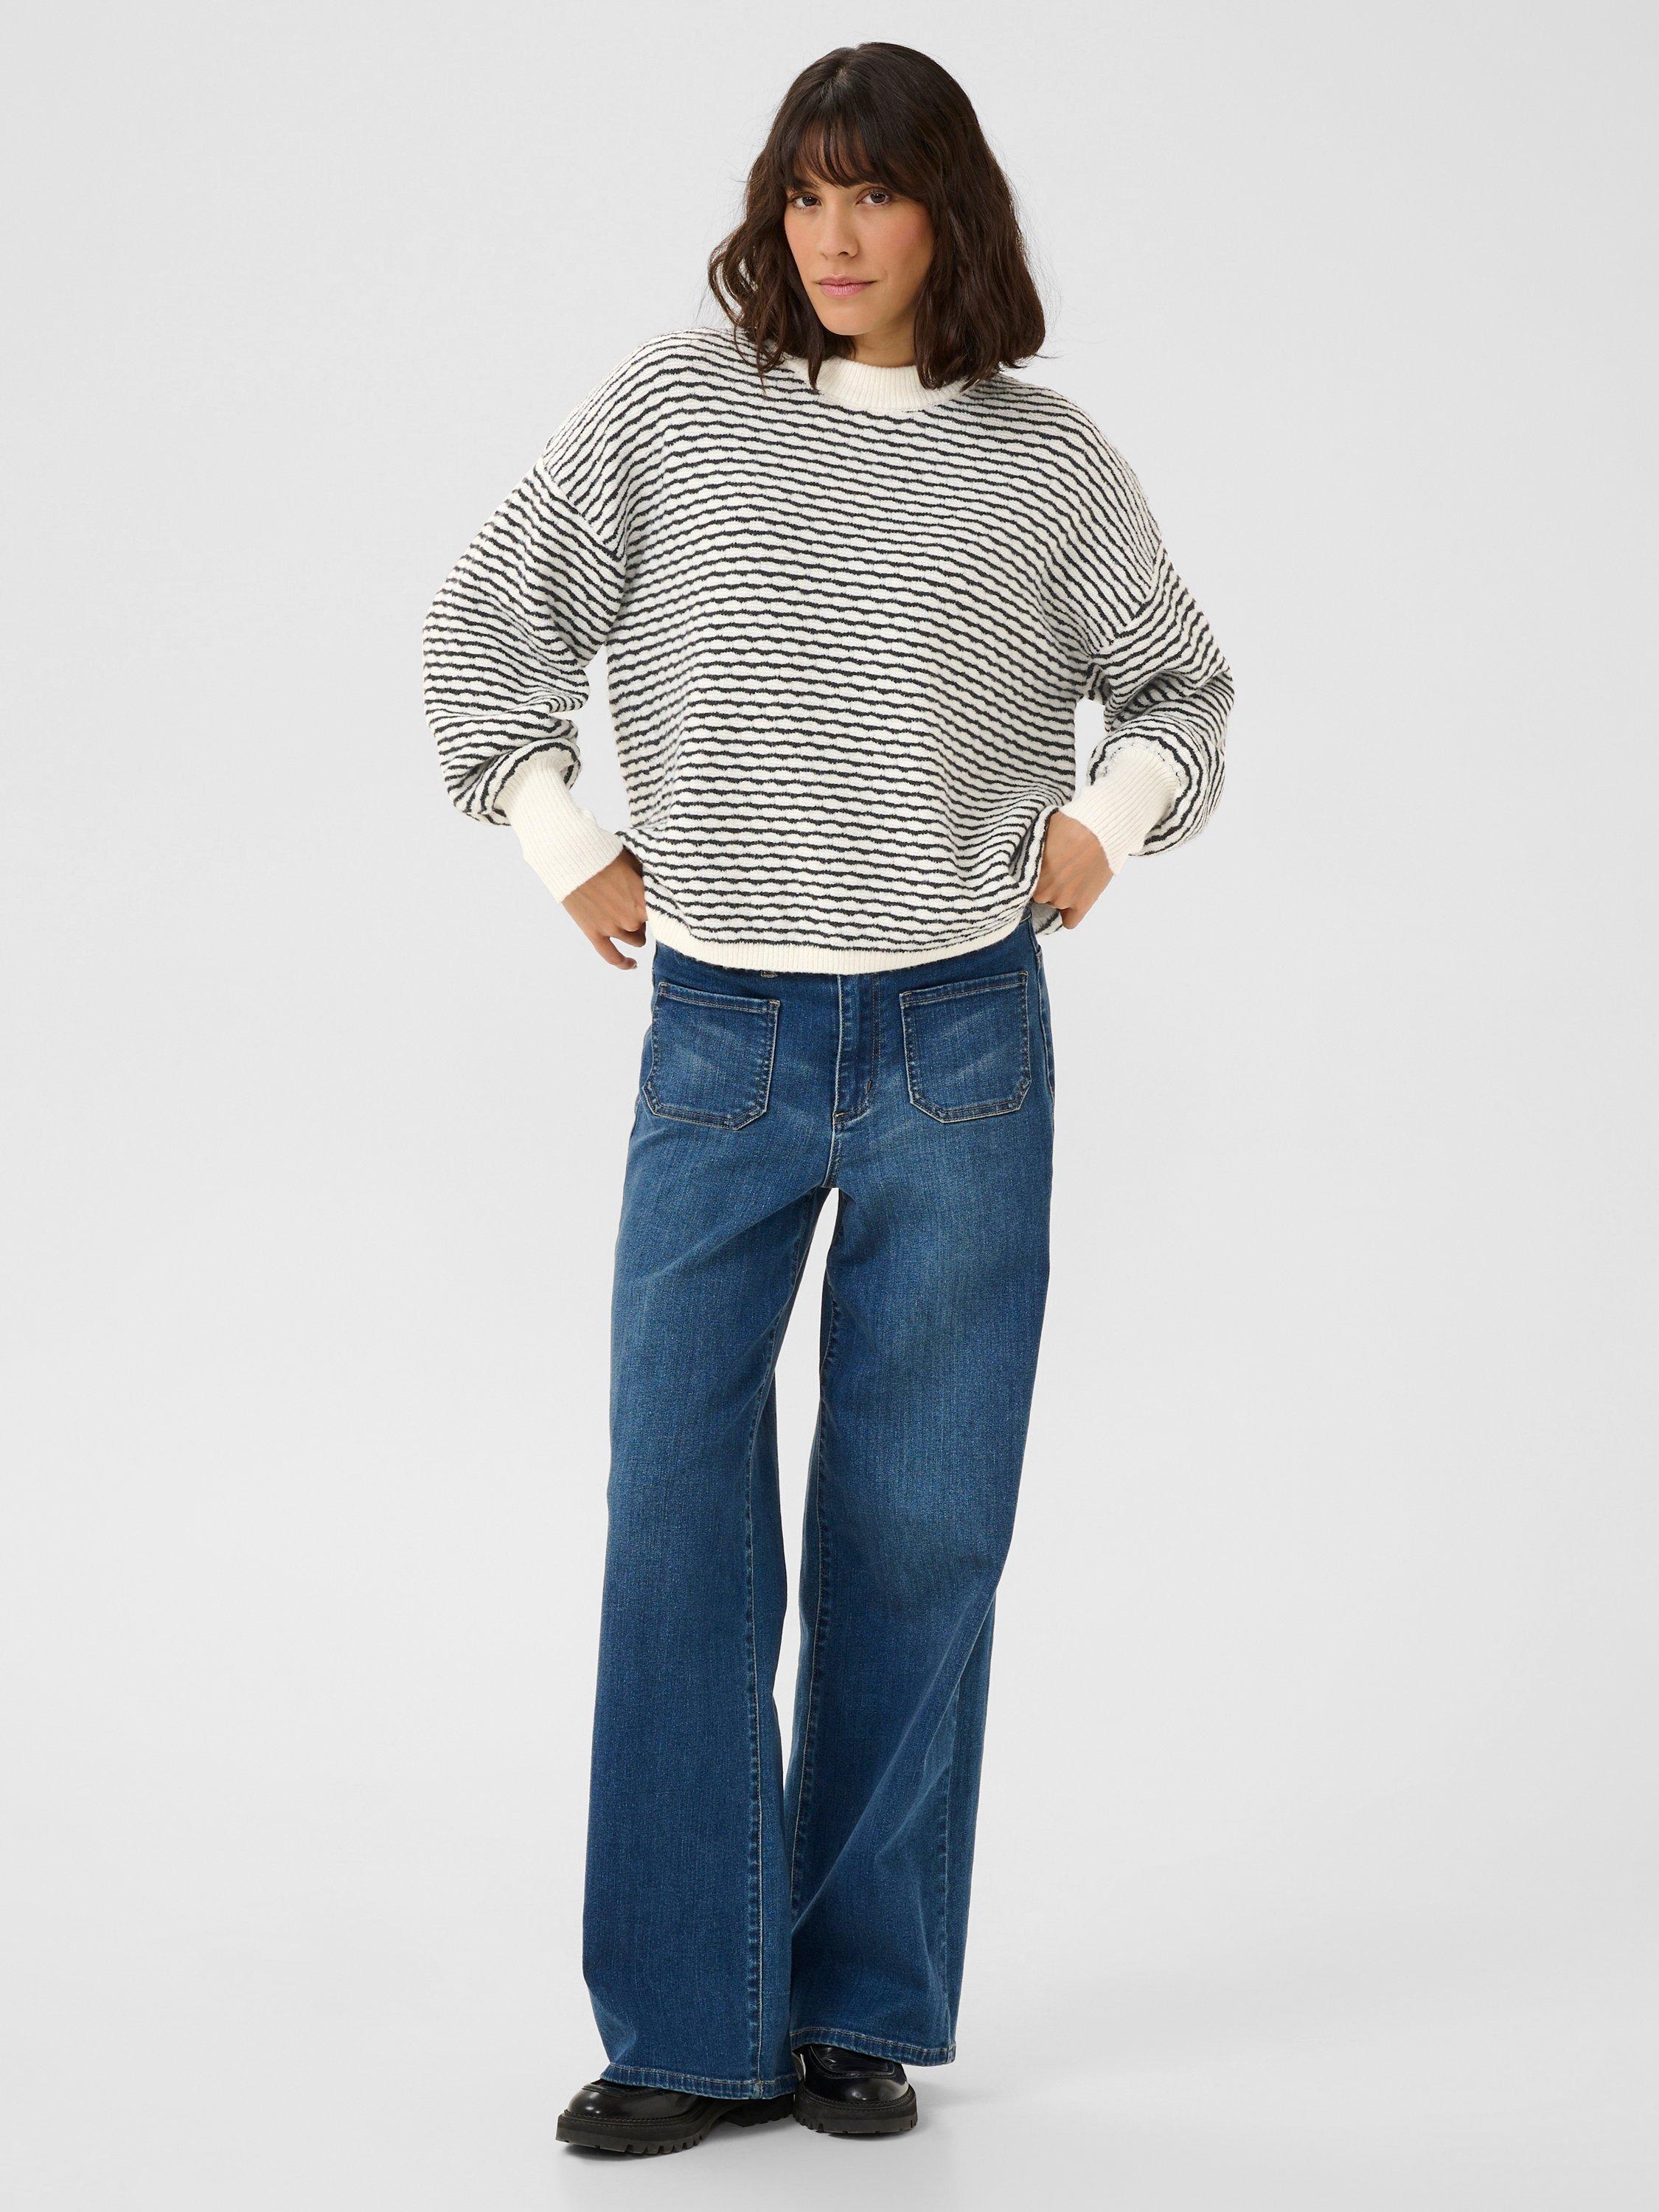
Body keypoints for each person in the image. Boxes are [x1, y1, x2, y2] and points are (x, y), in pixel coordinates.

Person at [420, 41, 1232, 2157]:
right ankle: (689, 2024)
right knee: (680, 1514)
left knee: (918, 1528)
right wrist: (559, 841)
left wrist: (1108, 822)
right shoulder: (675, 415)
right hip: (724, 1036)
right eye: (805, 190)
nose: (838, 233)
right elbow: (484, 628)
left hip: (963, 1037)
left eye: (877, 192)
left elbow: (1182, 684)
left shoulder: (1046, 464)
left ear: (953, 211)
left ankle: (856, 2006)